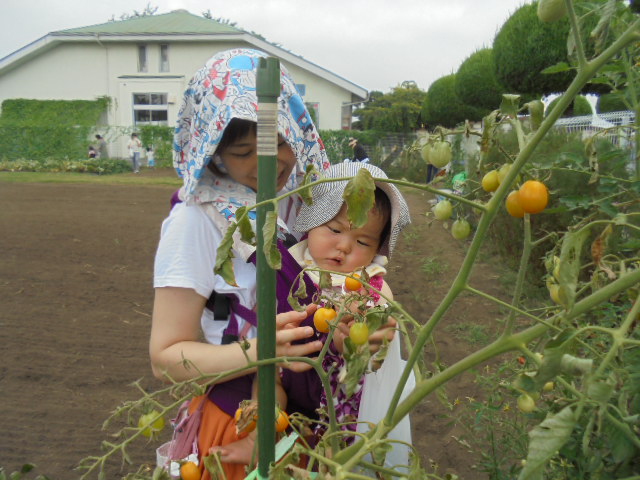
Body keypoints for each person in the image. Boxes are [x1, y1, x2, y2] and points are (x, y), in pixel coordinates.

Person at [150, 48, 336, 480]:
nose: (268, 164)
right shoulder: (197, 219)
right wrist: (259, 352)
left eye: (281, 143)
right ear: (212, 152)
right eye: (244, 151)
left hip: (317, 425)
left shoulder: (312, 200)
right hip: (241, 432)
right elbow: (165, 358)